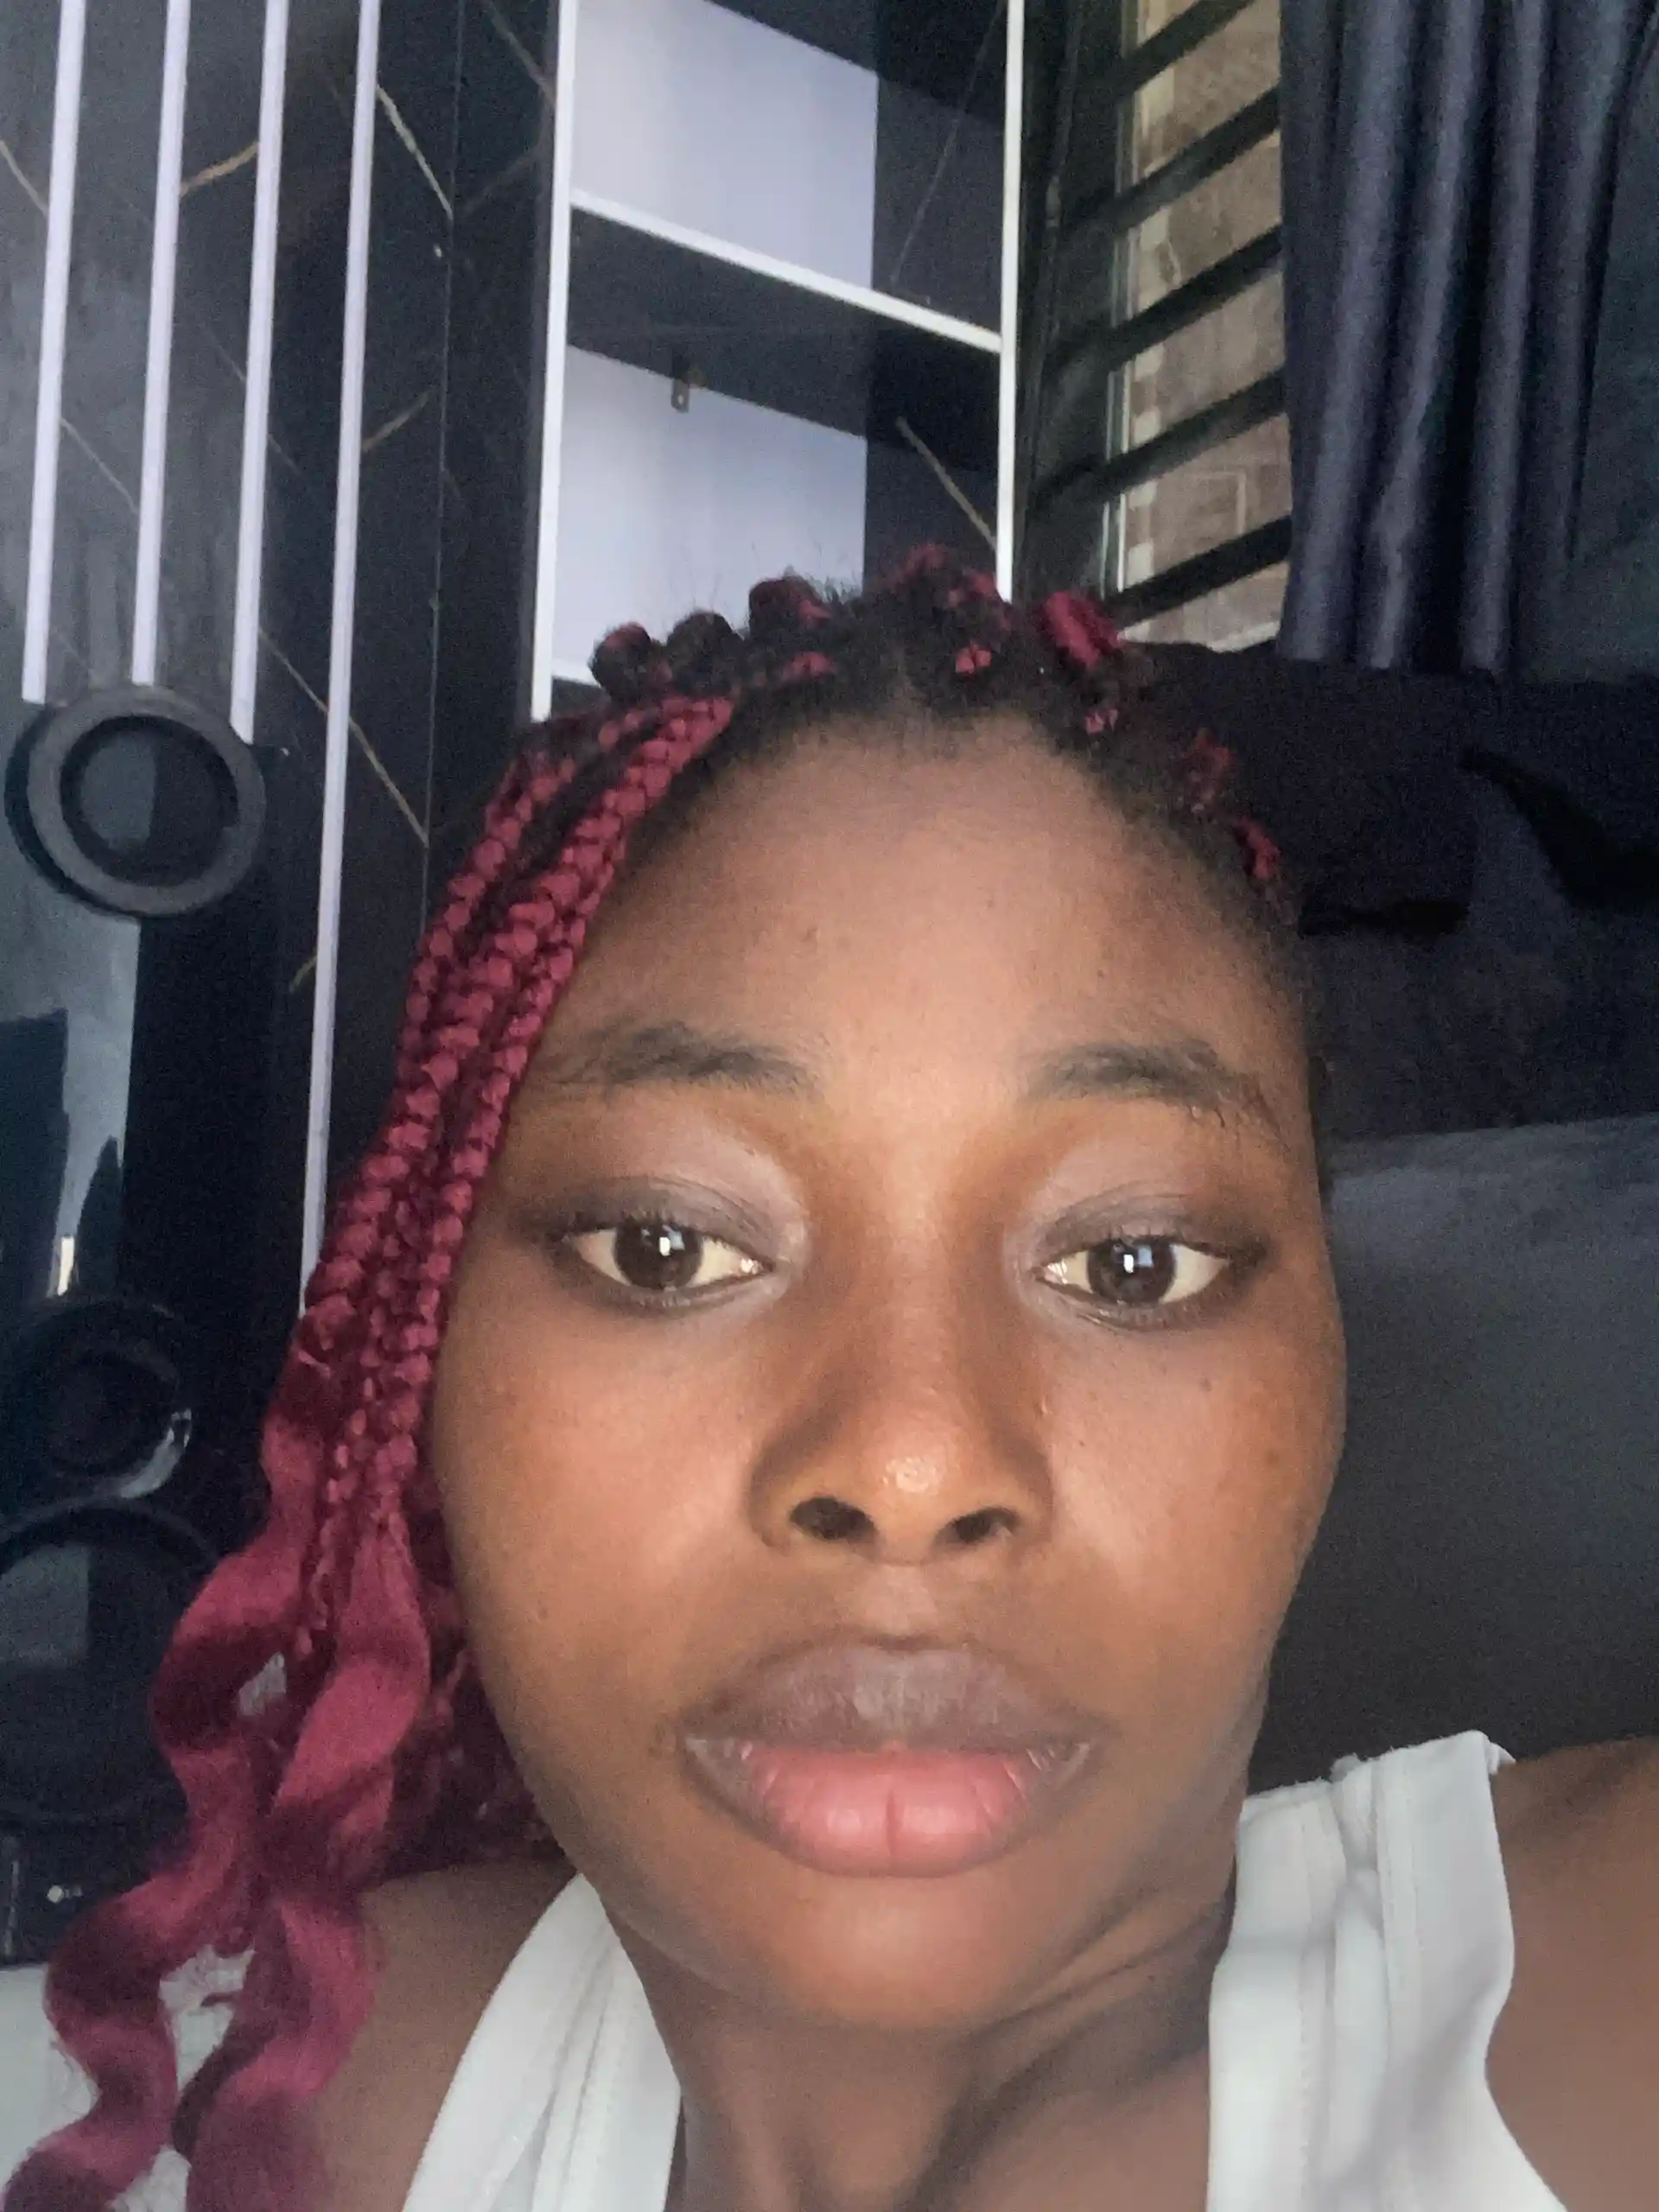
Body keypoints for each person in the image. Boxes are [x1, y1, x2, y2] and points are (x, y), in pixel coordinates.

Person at [4, 551, 1655, 2212]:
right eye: (666, 1248)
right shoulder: (324, 2081)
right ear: (422, 1361)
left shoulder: (1596, 2004)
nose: (911, 1463)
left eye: (1131, 1263)